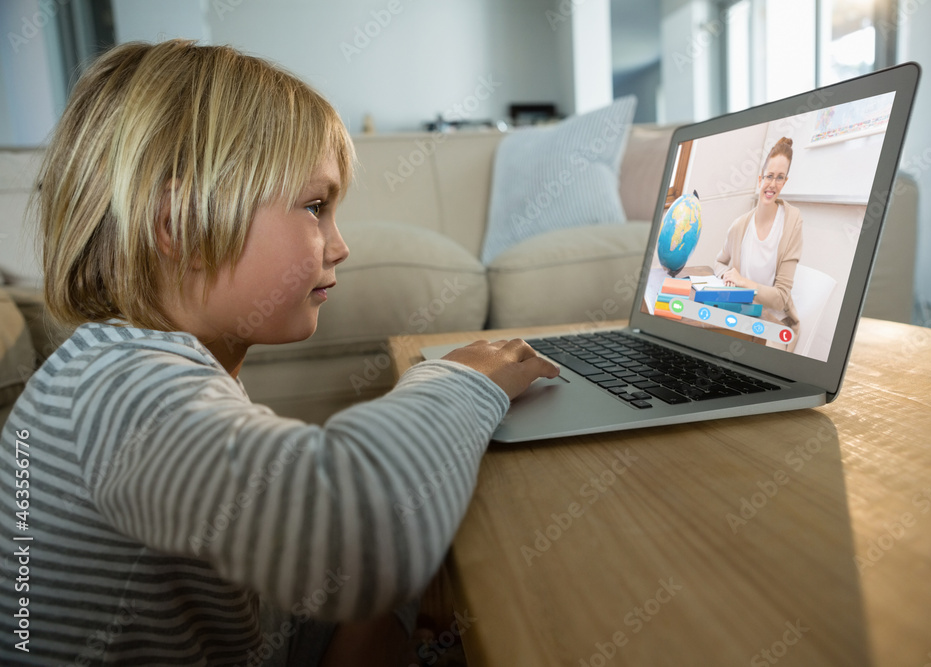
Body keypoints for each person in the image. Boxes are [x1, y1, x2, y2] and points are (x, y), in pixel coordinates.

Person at [0, 40, 558, 666]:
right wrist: (459, 381)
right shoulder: (121, 387)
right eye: (316, 207)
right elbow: (360, 537)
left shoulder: (129, 363)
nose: (339, 245)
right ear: (180, 222)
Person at [714, 136, 803, 352]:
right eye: (770, 176)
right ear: (760, 178)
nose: (773, 184)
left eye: (780, 178)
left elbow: (781, 298)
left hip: (773, 323)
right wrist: (727, 276)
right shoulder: (739, 226)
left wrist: (743, 282)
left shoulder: (792, 222)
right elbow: (719, 262)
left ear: (785, 182)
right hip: (743, 314)